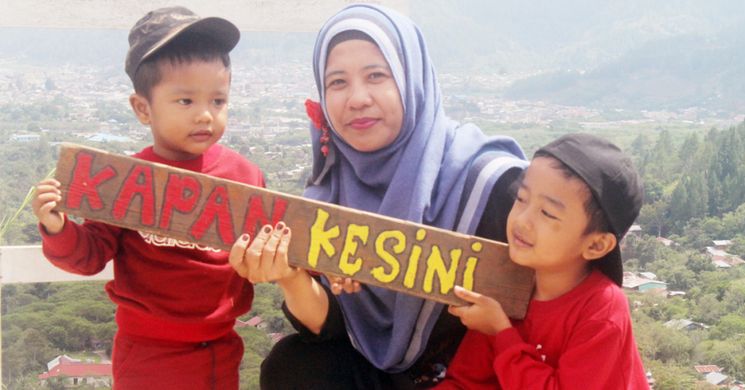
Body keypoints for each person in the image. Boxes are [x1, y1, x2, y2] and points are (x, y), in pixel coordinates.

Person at [228, 3, 528, 389]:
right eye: (337, 82)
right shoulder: (333, 182)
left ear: (411, 80)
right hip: (383, 375)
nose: (357, 98)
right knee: (294, 365)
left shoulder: (490, 186)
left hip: (480, 378)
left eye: (376, 75)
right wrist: (290, 276)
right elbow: (330, 329)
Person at [31, 7, 264, 389]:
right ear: (143, 108)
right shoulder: (123, 179)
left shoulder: (245, 177)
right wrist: (57, 227)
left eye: (218, 101)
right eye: (186, 101)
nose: (206, 115)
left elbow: (270, 253)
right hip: (145, 352)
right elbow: (90, 255)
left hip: (219, 348)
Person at [435, 133, 650, 389]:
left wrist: (502, 334)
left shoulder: (601, 310)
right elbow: (466, 383)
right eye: (521, 199)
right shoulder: (504, 284)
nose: (522, 219)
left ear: (595, 245)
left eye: (547, 213)